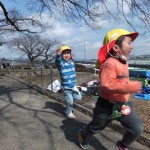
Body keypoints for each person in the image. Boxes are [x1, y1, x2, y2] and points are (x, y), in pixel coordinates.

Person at [78, 29, 143, 150]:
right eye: (129, 43)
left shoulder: (124, 62)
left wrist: (131, 87)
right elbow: (106, 84)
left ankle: (122, 145)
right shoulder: (109, 63)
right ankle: (83, 134)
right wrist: (129, 87)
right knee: (96, 127)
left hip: (123, 105)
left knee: (137, 128)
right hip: (106, 106)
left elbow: (122, 80)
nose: (132, 47)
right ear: (116, 48)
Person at [55, 45, 82, 118]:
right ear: (62, 55)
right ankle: (68, 112)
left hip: (73, 86)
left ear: (70, 55)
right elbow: (57, 62)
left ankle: (69, 103)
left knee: (79, 97)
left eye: (68, 53)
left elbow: (71, 58)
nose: (66, 55)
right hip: (66, 88)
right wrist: (57, 55)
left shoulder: (72, 62)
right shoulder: (61, 64)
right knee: (70, 101)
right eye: (64, 53)